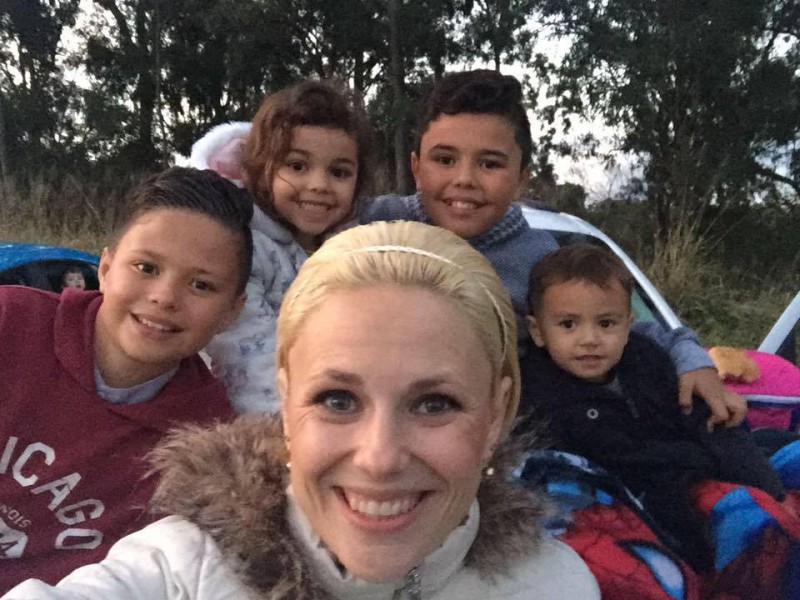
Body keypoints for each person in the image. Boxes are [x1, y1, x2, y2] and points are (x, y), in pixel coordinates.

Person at [4, 221, 601, 599]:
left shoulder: (555, 587)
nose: (379, 458)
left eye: (434, 403)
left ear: (497, 412)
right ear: (286, 403)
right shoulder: (184, 570)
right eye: (337, 400)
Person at [357, 68, 745, 430]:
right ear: (416, 167)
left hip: (487, 441)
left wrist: (692, 360)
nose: (464, 179)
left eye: (490, 164)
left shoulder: (541, 259)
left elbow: (627, 325)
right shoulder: (371, 224)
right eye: (444, 159)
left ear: (522, 177)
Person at [0, 167, 248, 592]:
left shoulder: (205, 448)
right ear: (106, 267)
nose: (164, 297)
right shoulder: (11, 322)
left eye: (201, 285)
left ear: (233, 310)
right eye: (146, 267)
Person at [519, 245, 786, 571]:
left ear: (628, 325)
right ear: (537, 331)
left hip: (695, 484)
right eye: (568, 324)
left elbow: (703, 417)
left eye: (606, 323)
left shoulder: (648, 358)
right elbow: (620, 461)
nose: (589, 339)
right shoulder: (537, 395)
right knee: (744, 523)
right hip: (634, 524)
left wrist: (766, 486)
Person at [190, 79, 375, 414]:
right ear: (260, 170)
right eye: (297, 166)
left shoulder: (353, 250)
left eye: (339, 172)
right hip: (263, 419)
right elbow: (248, 357)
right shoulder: (245, 250)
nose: (319, 185)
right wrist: (302, 421)